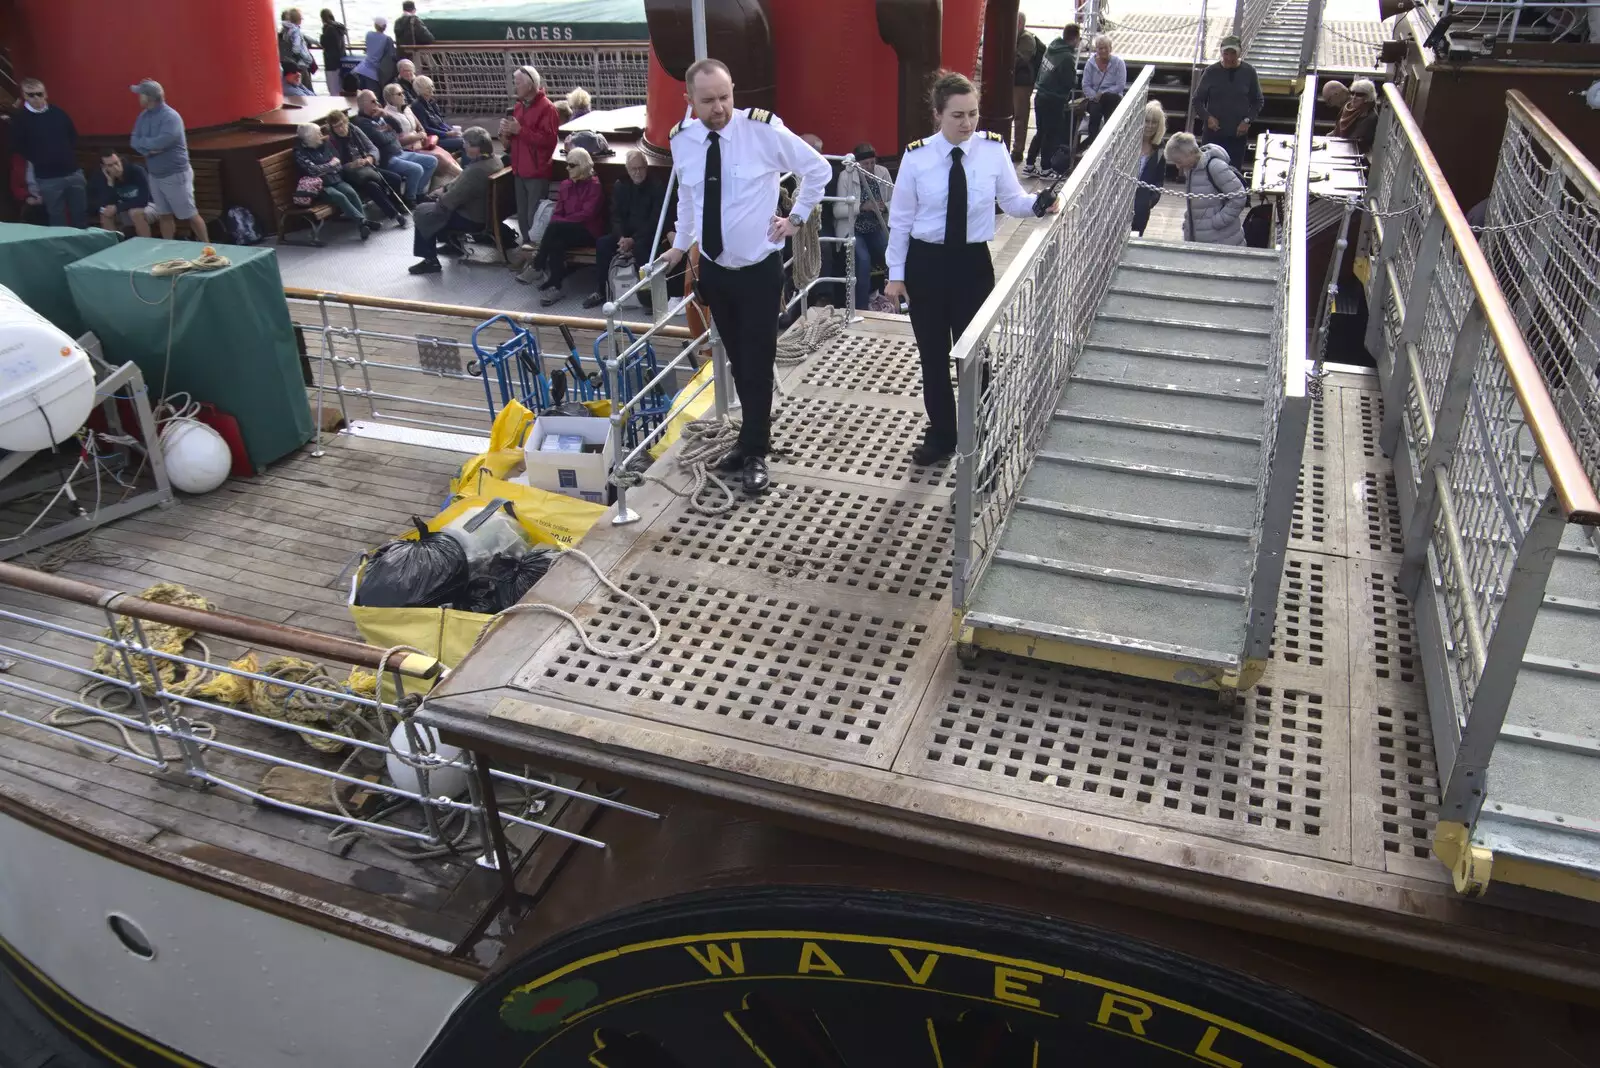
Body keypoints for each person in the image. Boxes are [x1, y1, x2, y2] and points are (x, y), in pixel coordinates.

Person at [664, 57, 830, 494]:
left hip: (758, 270)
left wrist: (794, 218)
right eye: (708, 100)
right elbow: (687, 198)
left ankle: (756, 451)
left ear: (733, 91)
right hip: (716, 272)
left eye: (724, 97)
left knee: (756, 363)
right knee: (739, 361)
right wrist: (681, 246)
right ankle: (746, 441)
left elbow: (819, 170)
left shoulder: (762, 130)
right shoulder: (682, 140)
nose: (718, 107)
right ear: (689, 101)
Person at [886, 70, 1058, 465]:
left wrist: (1037, 204)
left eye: (973, 114)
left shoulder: (993, 150)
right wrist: (895, 275)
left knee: (975, 356)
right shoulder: (916, 158)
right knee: (933, 355)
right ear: (937, 115)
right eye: (957, 116)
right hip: (926, 265)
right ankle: (944, 434)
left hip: (972, 264)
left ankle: (981, 429)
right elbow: (901, 221)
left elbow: (1011, 199)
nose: (967, 123)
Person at [584, 149, 666, 309]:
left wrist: (633, 240)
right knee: (603, 244)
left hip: (647, 235)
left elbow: (655, 220)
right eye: (634, 169)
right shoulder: (621, 185)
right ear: (627, 169)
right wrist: (621, 237)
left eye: (641, 168)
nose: (638, 172)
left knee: (643, 249)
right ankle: (602, 290)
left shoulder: (656, 186)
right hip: (624, 235)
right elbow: (615, 216)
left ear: (646, 167)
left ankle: (649, 297)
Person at [409, 125, 496, 274]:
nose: (464, 146)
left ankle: (430, 261)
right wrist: (445, 189)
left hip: (474, 219)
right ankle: (451, 244)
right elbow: (462, 184)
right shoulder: (494, 161)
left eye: (466, 144)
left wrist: (437, 198)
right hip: (486, 213)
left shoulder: (476, 171)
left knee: (423, 212)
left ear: (476, 148)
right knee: (433, 208)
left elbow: (450, 201)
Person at [129, 80, 208, 242]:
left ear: (148, 98)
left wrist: (147, 145)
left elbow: (162, 142)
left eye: (140, 94)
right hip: (155, 175)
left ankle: (208, 247)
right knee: (164, 214)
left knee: (190, 214)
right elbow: (134, 141)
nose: (138, 98)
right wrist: (149, 149)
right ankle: (168, 249)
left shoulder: (171, 117)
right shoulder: (143, 116)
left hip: (175, 174)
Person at [525, 147, 604, 306]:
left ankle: (539, 263)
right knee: (556, 242)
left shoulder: (594, 186)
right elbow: (557, 211)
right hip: (565, 230)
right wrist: (560, 222)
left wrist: (561, 222)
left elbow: (586, 215)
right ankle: (556, 286)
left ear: (582, 166)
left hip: (587, 231)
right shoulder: (565, 185)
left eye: (572, 165)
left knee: (555, 229)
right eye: (567, 164)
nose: (567, 168)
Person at [11, 79, 85, 227]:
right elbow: (18, 145)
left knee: (80, 213)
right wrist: (40, 159)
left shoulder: (58, 112)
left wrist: (66, 155)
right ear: (25, 96)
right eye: (31, 95)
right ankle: (62, 249)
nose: (36, 98)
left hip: (72, 171)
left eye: (39, 94)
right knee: (57, 216)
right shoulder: (20, 119)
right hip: (48, 177)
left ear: (46, 94)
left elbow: (72, 136)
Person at [501, 65, 559, 247]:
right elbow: (512, 142)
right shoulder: (518, 106)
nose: (515, 86)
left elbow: (549, 141)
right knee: (523, 214)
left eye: (517, 83)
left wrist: (520, 130)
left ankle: (536, 252)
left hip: (536, 170)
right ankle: (526, 248)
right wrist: (505, 134)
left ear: (530, 84)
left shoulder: (547, 108)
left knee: (534, 214)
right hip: (519, 168)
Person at [354, 89, 439, 203]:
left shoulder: (378, 115)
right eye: (373, 101)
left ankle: (418, 193)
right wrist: (391, 133)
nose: (378, 104)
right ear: (364, 105)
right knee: (416, 169)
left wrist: (387, 116)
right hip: (387, 158)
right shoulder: (362, 123)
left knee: (432, 161)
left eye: (377, 100)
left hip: (400, 152)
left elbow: (398, 129)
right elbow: (381, 140)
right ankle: (410, 199)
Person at [836, 142, 892, 310]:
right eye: (866, 164)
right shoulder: (846, 176)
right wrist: (861, 207)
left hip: (877, 226)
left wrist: (885, 206)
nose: (870, 167)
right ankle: (861, 308)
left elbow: (895, 198)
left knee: (892, 254)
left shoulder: (882, 172)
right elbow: (837, 210)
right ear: (858, 164)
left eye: (872, 163)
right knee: (863, 260)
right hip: (853, 229)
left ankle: (893, 300)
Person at [326, 110, 406, 226]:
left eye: (341, 124)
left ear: (346, 122)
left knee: (395, 178)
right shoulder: (332, 142)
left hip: (367, 167)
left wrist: (370, 158)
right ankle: (395, 214)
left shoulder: (355, 131)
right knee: (372, 186)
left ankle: (395, 204)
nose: (340, 129)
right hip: (351, 175)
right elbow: (337, 166)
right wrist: (351, 165)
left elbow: (372, 148)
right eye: (336, 127)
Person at [1193, 35, 1263, 168]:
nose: (1229, 58)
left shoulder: (1249, 72)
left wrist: (1247, 120)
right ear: (1221, 52)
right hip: (1213, 134)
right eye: (1226, 53)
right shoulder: (1210, 72)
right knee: (1208, 170)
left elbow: (1258, 101)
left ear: (1239, 52)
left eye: (1233, 53)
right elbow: (1197, 100)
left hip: (1237, 135)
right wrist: (1208, 118)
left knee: (1233, 173)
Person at [295, 122, 373, 238]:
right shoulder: (299, 152)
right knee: (339, 196)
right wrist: (330, 165)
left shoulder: (325, 144)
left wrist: (327, 167)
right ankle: (363, 222)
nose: (321, 134)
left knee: (350, 192)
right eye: (318, 133)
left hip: (335, 179)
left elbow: (338, 164)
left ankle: (363, 223)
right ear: (309, 137)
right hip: (320, 187)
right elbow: (313, 171)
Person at [1165, 132, 1245, 246]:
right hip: (1202, 239)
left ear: (1190, 153)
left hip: (1223, 239)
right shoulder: (1192, 170)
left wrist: (1217, 221)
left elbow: (1239, 197)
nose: (1178, 167)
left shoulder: (1215, 167)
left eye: (1179, 161)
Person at [1024, 23, 1080, 178]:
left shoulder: (1052, 48)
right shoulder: (1067, 57)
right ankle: (1046, 168)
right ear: (1075, 38)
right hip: (1054, 100)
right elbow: (1070, 82)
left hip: (1040, 96)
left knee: (1040, 132)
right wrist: (1076, 77)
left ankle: (1029, 165)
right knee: (1051, 134)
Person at [381, 82, 459, 178]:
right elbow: (397, 140)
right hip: (408, 149)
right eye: (399, 94)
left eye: (403, 93)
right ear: (390, 98)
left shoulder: (407, 109)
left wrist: (421, 136)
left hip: (421, 144)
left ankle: (462, 177)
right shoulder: (387, 115)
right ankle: (463, 178)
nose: (403, 96)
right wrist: (419, 136)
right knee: (440, 158)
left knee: (445, 154)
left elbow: (420, 127)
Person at [88, 151, 155, 237]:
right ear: (104, 167)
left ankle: (147, 246)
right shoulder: (103, 177)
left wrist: (118, 207)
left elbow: (143, 200)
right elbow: (105, 203)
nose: (115, 168)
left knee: (134, 213)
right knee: (105, 213)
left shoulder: (136, 171)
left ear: (120, 160)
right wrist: (110, 184)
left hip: (149, 205)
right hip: (125, 208)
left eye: (116, 163)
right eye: (110, 166)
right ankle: (113, 246)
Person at [1080, 34, 1127, 145]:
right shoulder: (1090, 64)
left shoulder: (1119, 63)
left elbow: (1120, 85)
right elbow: (1085, 85)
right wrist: (1095, 96)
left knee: (1109, 99)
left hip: (1113, 97)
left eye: (1106, 47)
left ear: (1111, 48)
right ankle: (1092, 140)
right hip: (1094, 98)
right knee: (1095, 111)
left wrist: (1103, 94)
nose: (1104, 50)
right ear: (1096, 49)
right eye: (1100, 48)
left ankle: (1109, 139)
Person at [1131, 100, 1166, 236]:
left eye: (1154, 122)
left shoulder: (1160, 148)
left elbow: (1159, 180)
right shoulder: (1129, 142)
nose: (1150, 126)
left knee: (1135, 237)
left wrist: (1150, 201)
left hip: (1141, 206)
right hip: (1119, 201)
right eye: (1147, 121)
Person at [1012, 13, 1043, 163]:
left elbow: (1020, 59)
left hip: (1021, 83)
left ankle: (1018, 150)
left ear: (1020, 23)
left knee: (1020, 117)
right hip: (1012, 82)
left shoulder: (1026, 39)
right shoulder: (1016, 37)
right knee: (1012, 114)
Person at [410, 76, 463, 155]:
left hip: (442, 134)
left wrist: (451, 130)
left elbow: (441, 122)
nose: (431, 89)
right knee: (464, 142)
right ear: (420, 90)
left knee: (468, 137)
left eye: (431, 86)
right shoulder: (417, 106)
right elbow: (426, 128)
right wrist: (446, 134)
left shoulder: (432, 102)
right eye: (427, 88)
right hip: (433, 139)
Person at [353, 16, 398, 95]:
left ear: (375, 25)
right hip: (374, 73)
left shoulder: (369, 34)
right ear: (385, 27)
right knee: (374, 97)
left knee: (362, 96)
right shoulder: (387, 39)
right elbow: (391, 56)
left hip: (361, 69)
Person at [1337, 78, 1381, 155]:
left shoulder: (1371, 117)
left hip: (1357, 153)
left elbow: (1355, 141)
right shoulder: (1348, 108)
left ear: (1367, 98)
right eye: (1352, 93)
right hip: (1343, 146)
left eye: (1359, 95)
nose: (1354, 97)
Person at [278, 9, 318, 81]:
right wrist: (307, 59)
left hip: (290, 65)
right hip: (299, 64)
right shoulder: (294, 31)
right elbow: (296, 48)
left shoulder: (284, 33)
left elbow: (304, 37)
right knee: (305, 86)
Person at [319, 9, 348, 97]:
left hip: (331, 63)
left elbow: (325, 43)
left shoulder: (329, 29)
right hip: (340, 59)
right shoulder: (338, 27)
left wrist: (322, 36)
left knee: (333, 89)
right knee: (339, 86)